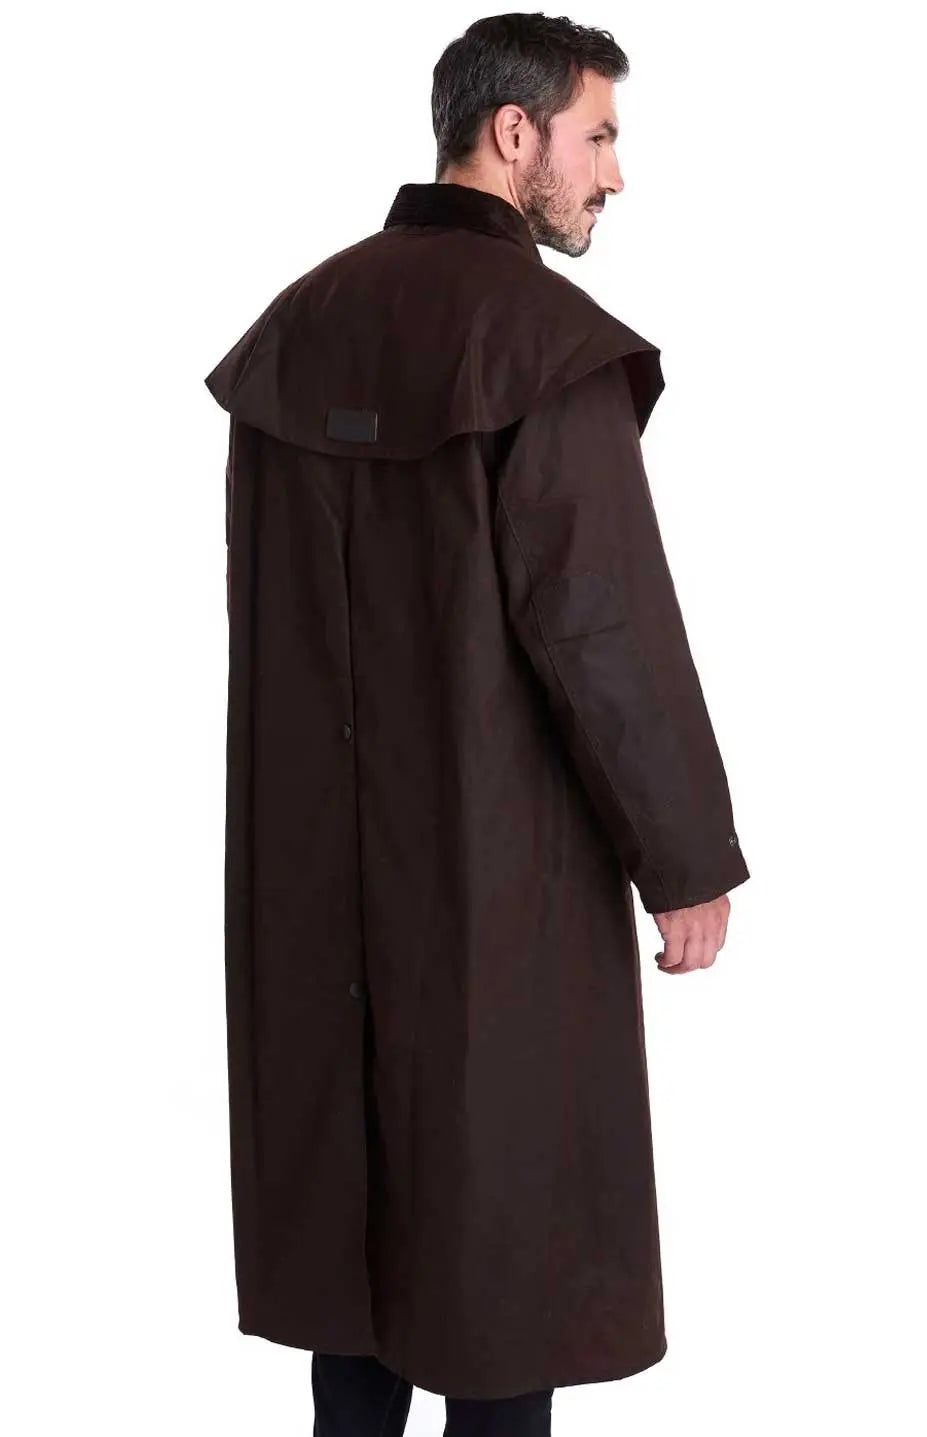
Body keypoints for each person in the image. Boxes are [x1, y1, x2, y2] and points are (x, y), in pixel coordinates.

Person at [204, 13, 750, 1435]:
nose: (615, 173)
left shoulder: (299, 325)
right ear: (515, 136)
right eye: (599, 135)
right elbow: (602, 628)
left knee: (357, 1252)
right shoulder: (538, 343)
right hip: (501, 884)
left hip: (311, 893)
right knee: (506, 1250)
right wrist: (686, 860)